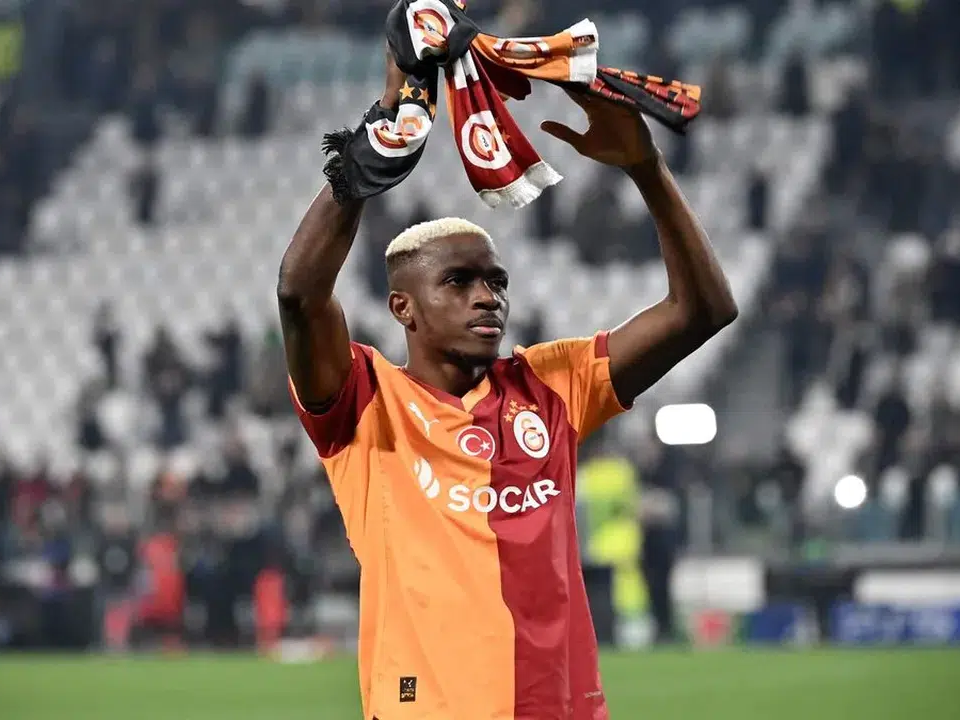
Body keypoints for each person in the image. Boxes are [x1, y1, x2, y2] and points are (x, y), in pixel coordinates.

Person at [276, 53, 737, 720]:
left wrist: (646, 167)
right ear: (403, 307)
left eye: (496, 282)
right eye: (458, 282)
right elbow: (300, 295)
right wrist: (362, 165)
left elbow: (703, 310)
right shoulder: (366, 403)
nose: (487, 297)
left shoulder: (552, 383)